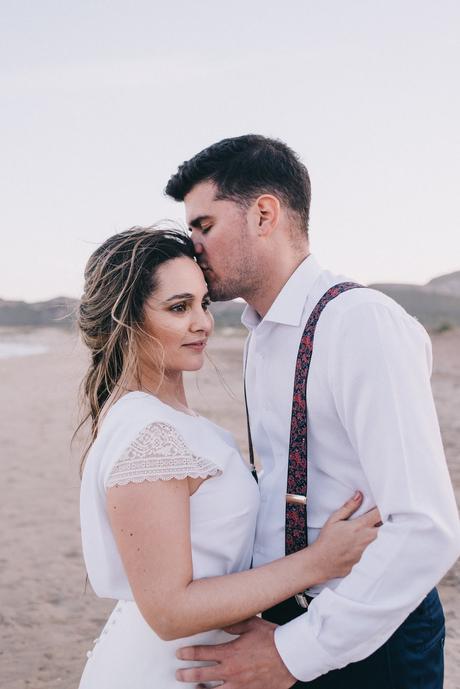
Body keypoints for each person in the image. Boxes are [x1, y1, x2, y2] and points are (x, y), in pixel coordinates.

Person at [165, 135, 460, 688]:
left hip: (370, 635)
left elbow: (426, 527)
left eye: (204, 225)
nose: (193, 246)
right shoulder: (260, 337)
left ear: (264, 214)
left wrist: (294, 652)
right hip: (285, 617)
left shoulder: (361, 323)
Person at [76, 225, 380, 689]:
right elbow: (169, 611)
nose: (202, 322)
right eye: (178, 308)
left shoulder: (174, 420)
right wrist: (319, 562)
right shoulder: (147, 434)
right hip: (160, 671)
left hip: (201, 662)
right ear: (127, 320)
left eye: (203, 303)